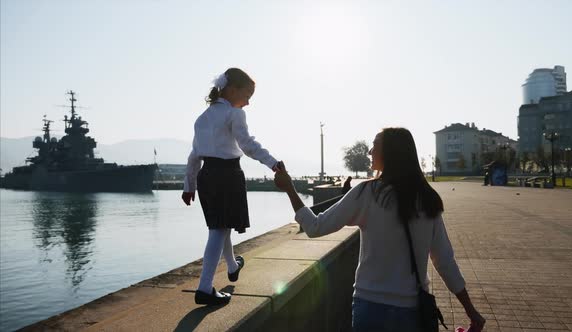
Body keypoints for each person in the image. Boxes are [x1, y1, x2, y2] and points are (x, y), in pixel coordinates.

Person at [274, 128, 485, 331]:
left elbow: (314, 227)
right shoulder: (428, 199)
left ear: (390, 153)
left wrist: (290, 189)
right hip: (412, 312)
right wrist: (471, 311)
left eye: (375, 145)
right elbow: (445, 262)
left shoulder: (367, 193)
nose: (369, 151)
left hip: (370, 308)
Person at [182, 68, 282, 306]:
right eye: (247, 95)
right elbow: (248, 145)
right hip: (227, 175)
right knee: (218, 229)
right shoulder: (234, 114)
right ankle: (205, 288)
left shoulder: (202, 118)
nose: (248, 102)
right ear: (233, 89)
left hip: (207, 175)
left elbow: (194, 155)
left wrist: (189, 185)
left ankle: (232, 266)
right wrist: (273, 163)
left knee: (221, 224)